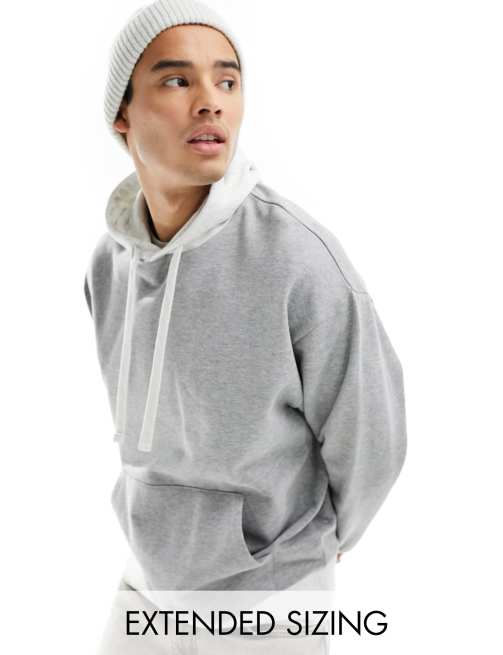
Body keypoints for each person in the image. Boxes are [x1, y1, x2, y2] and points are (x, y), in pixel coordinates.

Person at [83, 1, 408, 652]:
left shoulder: (297, 258)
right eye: (178, 79)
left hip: (267, 595)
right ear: (122, 113)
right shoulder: (109, 262)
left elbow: (373, 437)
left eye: (227, 81)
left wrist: (310, 549)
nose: (211, 101)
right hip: (149, 573)